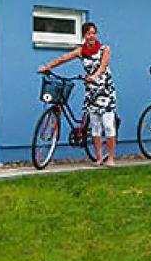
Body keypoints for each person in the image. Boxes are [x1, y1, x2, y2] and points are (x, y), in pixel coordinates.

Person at [39, 21, 118, 165]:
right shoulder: (81, 51)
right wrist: (47, 67)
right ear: (84, 36)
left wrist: (95, 76)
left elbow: (103, 65)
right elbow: (63, 59)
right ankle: (99, 157)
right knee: (95, 125)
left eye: (94, 33)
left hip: (105, 90)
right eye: (88, 33)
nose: (91, 36)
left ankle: (111, 158)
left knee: (107, 124)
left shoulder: (105, 49)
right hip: (92, 91)